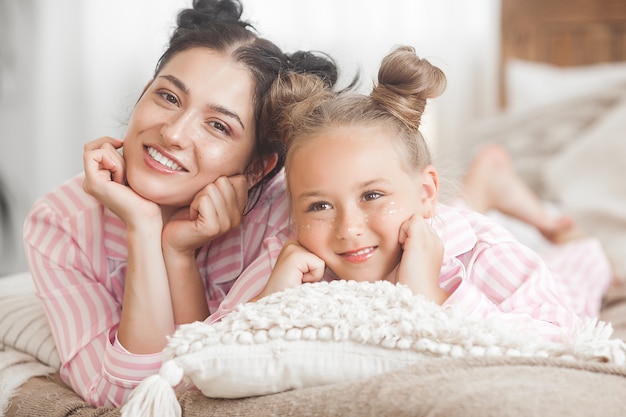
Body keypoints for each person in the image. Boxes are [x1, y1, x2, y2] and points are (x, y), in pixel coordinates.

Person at [22, 0, 345, 407]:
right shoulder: (61, 221)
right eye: (169, 97)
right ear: (143, 94)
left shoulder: (283, 221)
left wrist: (177, 253)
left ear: (257, 169)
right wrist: (142, 228)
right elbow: (127, 398)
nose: (173, 133)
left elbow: (205, 380)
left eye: (218, 125)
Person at [209, 45, 614, 344]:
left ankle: (544, 219)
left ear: (426, 192)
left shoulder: (483, 250)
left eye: (371, 195)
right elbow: (196, 354)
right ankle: (485, 183)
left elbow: (563, 338)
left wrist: (435, 296)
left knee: (582, 260)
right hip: (420, 216)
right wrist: (268, 300)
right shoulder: (289, 254)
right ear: (292, 212)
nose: (347, 229)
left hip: (474, 235)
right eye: (319, 205)